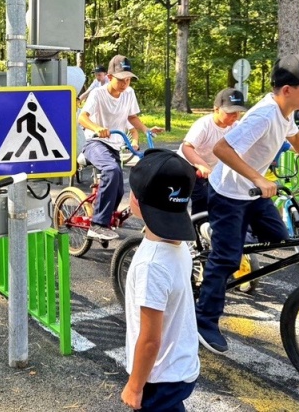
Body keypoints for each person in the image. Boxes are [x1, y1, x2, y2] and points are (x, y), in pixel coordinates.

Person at [195, 53, 299, 354]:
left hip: (253, 193)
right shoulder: (263, 115)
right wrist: (259, 179)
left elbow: (295, 137)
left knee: (279, 236)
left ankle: (224, 237)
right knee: (226, 261)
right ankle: (204, 320)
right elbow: (220, 148)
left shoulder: (286, 111)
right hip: (229, 193)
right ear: (288, 89)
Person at [122, 149, 200, 411]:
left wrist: (134, 385)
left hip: (159, 377)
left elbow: (150, 339)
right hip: (180, 365)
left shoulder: (151, 265)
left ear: (136, 200)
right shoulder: (177, 245)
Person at [78, 55, 163, 240]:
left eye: (128, 79)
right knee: (111, 170)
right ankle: (97, 224)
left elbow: (132, 118)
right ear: (109, 77)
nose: (125, 83)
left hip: (115, 144)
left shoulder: (129, 93)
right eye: (121, 79)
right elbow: (82, 117)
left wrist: (147, 130)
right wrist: (97, 128)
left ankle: (106, 220)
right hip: (95, 142)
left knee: (119, 189)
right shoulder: (98, 94)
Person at [178, 87, 246, 214]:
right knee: (201, 197)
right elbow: (186, 147)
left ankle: (207, 225)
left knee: (218, 198)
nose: (235, 116)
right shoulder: (204, 125)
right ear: (216, 108)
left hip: (211, 169)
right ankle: (197, 227)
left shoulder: (236, 127)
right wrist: (201, 166)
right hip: (189, 164)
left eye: (238, 112)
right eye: (230, 112)